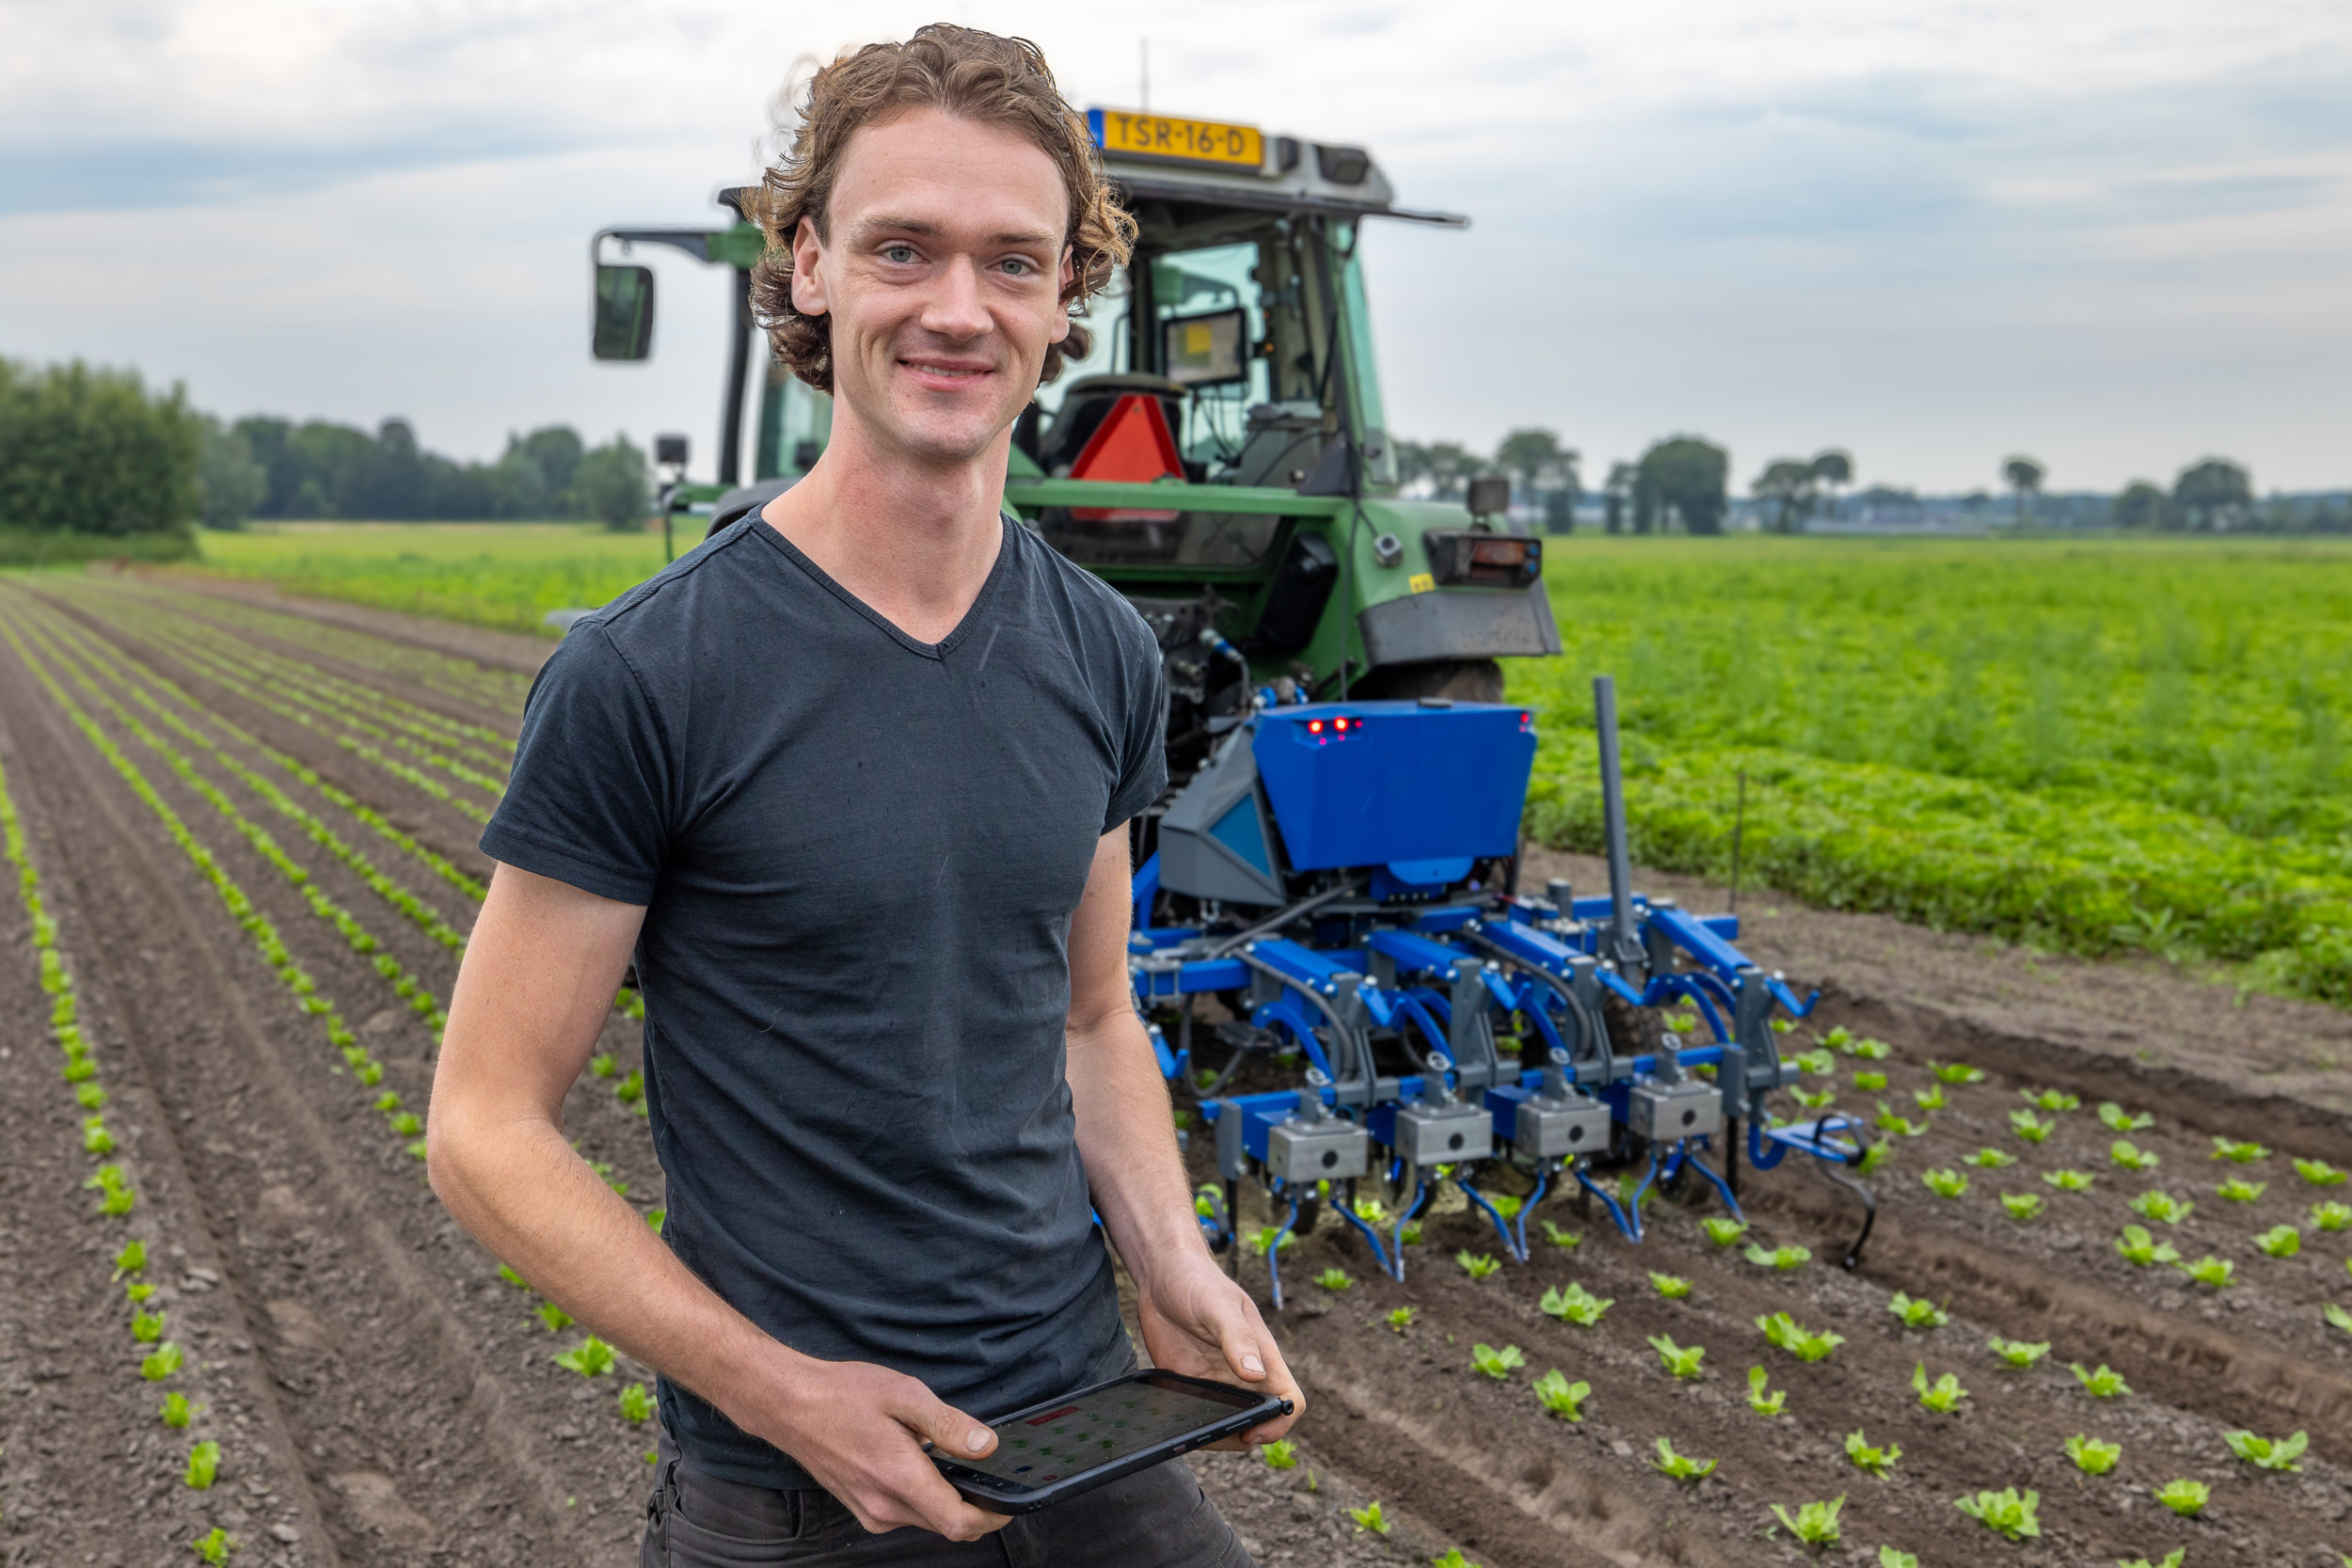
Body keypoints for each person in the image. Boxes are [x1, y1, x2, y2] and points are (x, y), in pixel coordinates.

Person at [424, 24, 1300, 1568]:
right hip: (794, 1484)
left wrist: (1173, 1259)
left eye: (1012, 262)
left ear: (1063, 298)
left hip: (1076, 1427)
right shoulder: (651, 675)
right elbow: (485, 1127)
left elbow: (1091, 1017)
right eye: (905, 249)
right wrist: (782, 1394)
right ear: (813, 266)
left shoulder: (1099, 647)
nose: (959, 309)